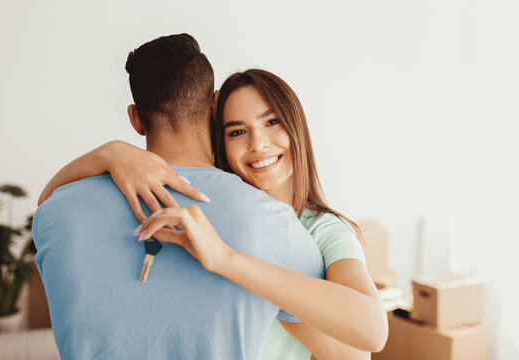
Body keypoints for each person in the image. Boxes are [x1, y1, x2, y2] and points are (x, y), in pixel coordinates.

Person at [37, 51, 388, 358]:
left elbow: (360, 348)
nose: (258, 144)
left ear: (137, 119)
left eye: (272, 122)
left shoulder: (322, 232)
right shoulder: (240, 216)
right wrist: (107, 153)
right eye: (237, 131)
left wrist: (232, 260)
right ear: (213, 115)